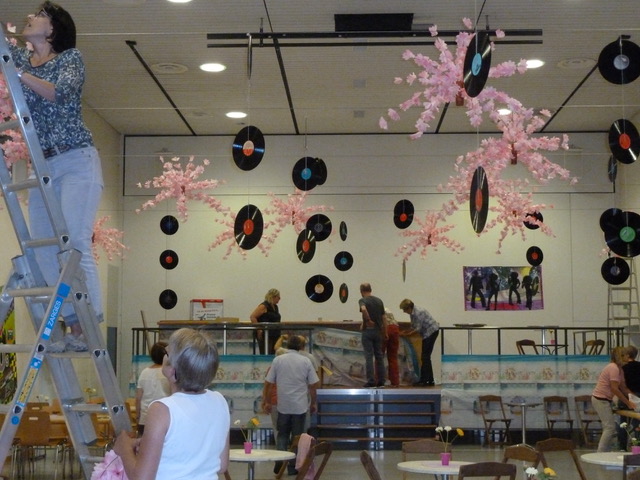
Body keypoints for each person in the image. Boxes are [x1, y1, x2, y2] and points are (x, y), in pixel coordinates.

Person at [8, 2, 104, 353]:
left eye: (38, 16)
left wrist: (20, 75)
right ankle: (73, 322)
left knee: (75, 242)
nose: (29, 18)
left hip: (77, 159)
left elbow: (60, 92)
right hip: (43, 165)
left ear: (51, 30)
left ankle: (90, 319)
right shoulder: (21, 58)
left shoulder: (69, 59)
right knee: (44, 247)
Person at [114, 328, 230, 480]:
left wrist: (125, 449)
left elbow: (142, 478)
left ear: (172, 371)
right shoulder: (220, 401)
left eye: (168, 353)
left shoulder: (162, 409)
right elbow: (221, 465)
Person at [261, 335, 319, 476]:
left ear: (287, 346)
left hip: (283, 405)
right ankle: (293, 467)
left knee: (282, 435)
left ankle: (280, 461)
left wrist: (267, 401)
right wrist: (313, 402)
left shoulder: (278, 360)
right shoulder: (305, 361)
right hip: (300, 406)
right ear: (300, 347)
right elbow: (313, 384)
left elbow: (268, 383)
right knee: (297, 438)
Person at [592, 345, 635, 452]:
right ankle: (600, 453)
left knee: (609, 428)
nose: (628, 357)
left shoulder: (620, 369)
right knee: (609, 427)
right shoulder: (613, 368)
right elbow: (614, 389)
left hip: (605, 399)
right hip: (600, 399)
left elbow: (624, 388)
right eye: (626, 355)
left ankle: (604, 451)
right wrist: (628, 403)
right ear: (621, 356)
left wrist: (635, 398)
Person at [399, 298, 439, 387]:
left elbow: (417, 329)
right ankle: (429, 380)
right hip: (427, 333)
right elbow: (413, 326)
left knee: (425, 357)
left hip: (431, 332)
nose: (404, 312)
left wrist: (406, 334)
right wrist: (406, 332)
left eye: (404, 310)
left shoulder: (418, 312)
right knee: (425, 357)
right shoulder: (413, 313)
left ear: (409, 308)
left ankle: (425, 380)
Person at [135, 341, 171, 436]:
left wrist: (138, 416)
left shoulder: (144, 373)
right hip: (164, 418)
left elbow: (138, 398)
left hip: (145, 418)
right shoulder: (168, 373)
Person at [358, 283, 387, 388]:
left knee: (369, 357)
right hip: (378, 331)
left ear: (362, 291)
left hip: (368, 331)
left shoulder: (362, 300)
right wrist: (385, 332)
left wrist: (368, 320)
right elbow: (384, 318)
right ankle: (381, 381)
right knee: (379, 356)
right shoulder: (379, 301)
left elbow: (363, 309)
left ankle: (371, 381)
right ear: (370, 289)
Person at [250, 288, 282, 354]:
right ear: (273, 296)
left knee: (274, 352)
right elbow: (253, 317)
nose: (279, 299)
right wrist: (259, 329)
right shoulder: (264, 306)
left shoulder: (275, 307)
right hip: (266, 334)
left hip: (275, 334)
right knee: (266, 352)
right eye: (278, 297)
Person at [620, 345, 640, 449]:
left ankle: (622, 446)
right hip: (638, 397)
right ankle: (637, 444)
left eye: (623, 355)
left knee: (624, 422)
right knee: (637, 421)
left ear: (628, 355)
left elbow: (621, 385)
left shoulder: (623, 368)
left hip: (626, 396)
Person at [383, 308, 400, 387]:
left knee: (379, 357)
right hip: (395, 329)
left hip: (384, 329)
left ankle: (378, 380)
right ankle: (395, 381)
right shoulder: (395, 324)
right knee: (393, 357)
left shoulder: (379, 312)